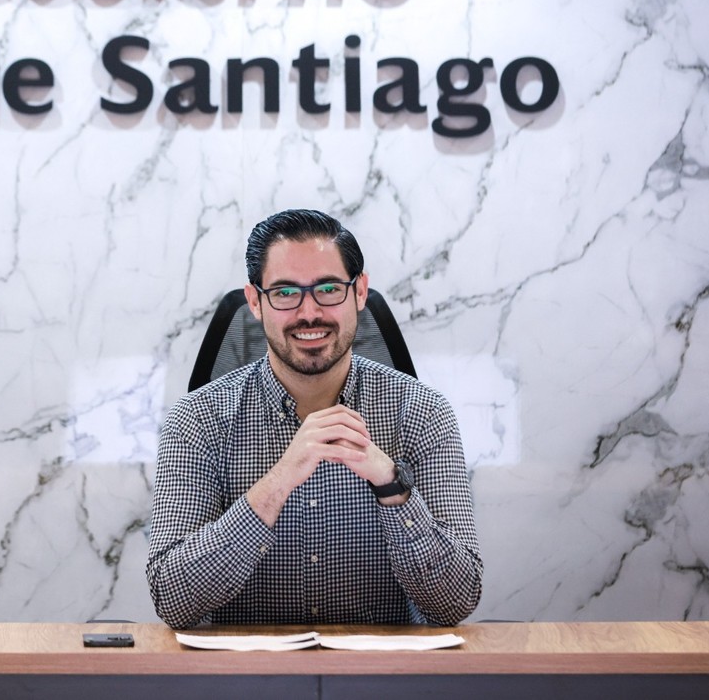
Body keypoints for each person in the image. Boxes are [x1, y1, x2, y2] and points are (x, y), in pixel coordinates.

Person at [146, 209, 481, 628]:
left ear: (360, 292)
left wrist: (393, 485)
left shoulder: (422, 412)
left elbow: (456, 602)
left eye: (327, 289)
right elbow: (172, 599)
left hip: (381, 679)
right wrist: (278, 481)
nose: (309, 313)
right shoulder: (198, 419)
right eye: (285, 293)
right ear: (255, 302)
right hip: (245, 679)